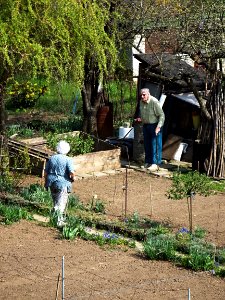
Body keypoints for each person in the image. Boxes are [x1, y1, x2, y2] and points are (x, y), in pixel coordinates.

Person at [44, 140, 75, 227]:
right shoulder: (68, 159)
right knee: (61, 203)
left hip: (51, 182)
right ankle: (58, 222)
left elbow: (45, 173)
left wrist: (46, 182)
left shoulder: (52, 158)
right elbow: (71, 172)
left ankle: (57, 218)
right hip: (62, 183)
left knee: (55, 201)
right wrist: (73, 178)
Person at [134, 88, 165, 171]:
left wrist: (158, 127)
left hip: (155, 125)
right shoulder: (141, 102)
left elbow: (161, 115)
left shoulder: (154, 102)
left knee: (155, 145)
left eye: (144, 94)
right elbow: (145, 114)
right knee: (147, 144)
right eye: (141, 95)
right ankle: (148, 162)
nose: (142, 96)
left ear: (148, 94)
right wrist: (140, 119)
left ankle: (155, 164)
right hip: (146, 125)